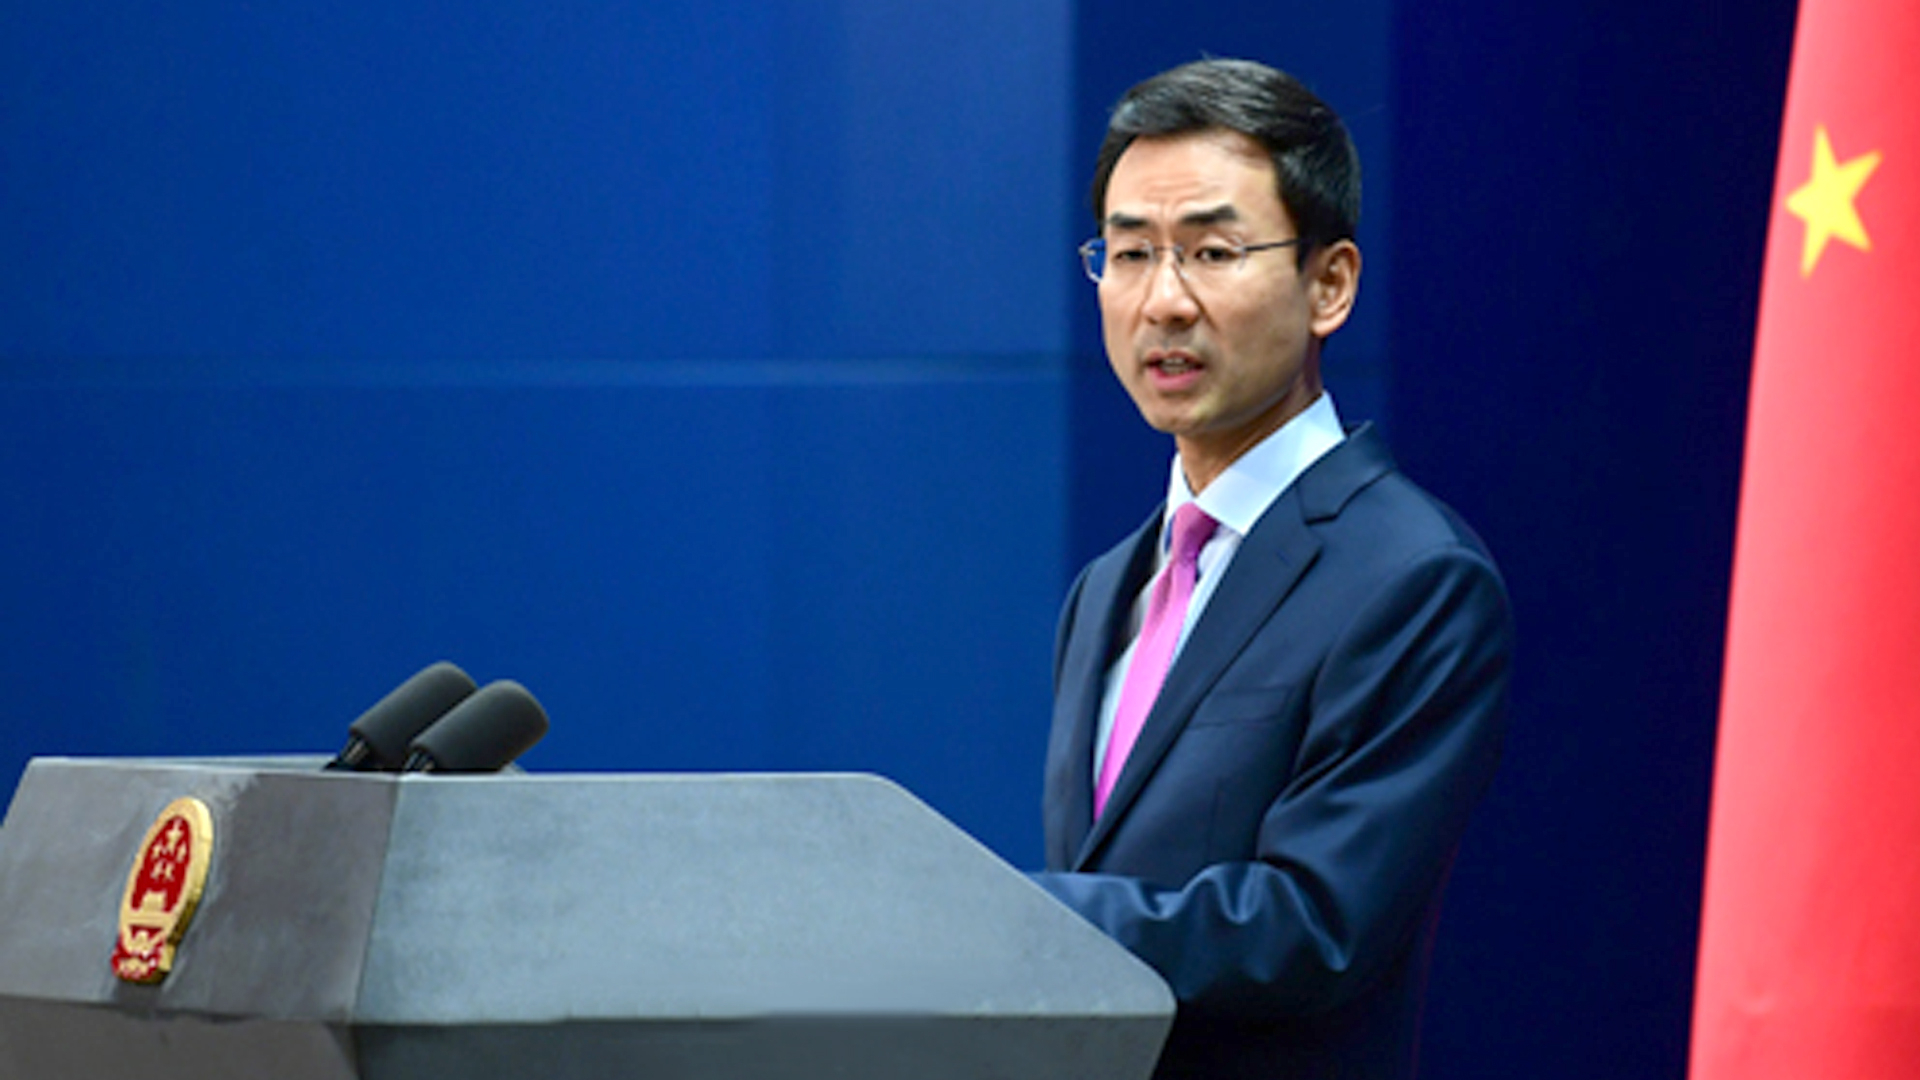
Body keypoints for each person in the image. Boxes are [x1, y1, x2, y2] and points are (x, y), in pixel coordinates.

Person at [1029, 59, 1513, 1079]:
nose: (1163, 300)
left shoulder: (1415, 579)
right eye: (1130, 253)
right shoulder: (1106, 588)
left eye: (1212, 251)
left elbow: (1313, 921)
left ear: (1329, 284)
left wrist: (1004, 914)